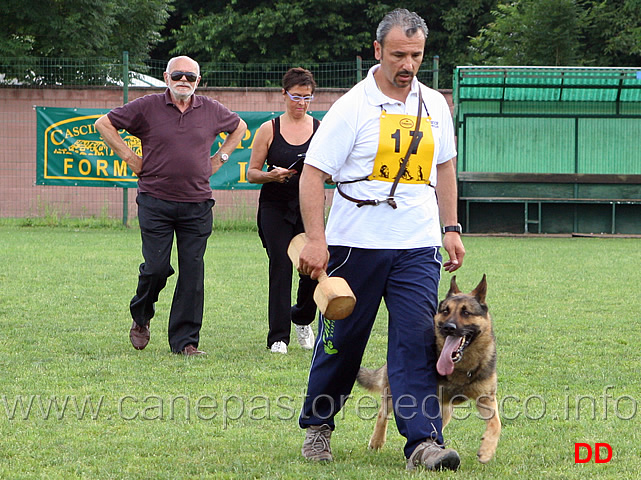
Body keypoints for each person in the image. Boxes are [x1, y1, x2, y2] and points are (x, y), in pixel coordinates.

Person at [296, 9, 465, 472]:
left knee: (416, 342)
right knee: (341, 340)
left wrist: (450, 228)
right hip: (355, 244)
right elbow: (313, 175)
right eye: (398, 55)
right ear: (377, 51)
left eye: (415, 55)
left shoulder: (435, 105)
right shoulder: (353, 106)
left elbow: (445, 166)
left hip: (417, 245)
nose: (407, 64)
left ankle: (423, 443)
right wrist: (316, 239)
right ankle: (318, 428)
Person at [95, 55, 247, 356]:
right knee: (156, 268)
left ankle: (185, 342)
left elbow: (239, 127)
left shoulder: (212, 110)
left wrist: (220, 159)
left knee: (193, 274)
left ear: (198, 82)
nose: (184, 81)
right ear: (166, 77)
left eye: (190, 78)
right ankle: (142, 314)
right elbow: (105, 123)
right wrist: (130, 158)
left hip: (197, 204)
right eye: (178, 75)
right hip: (155, 202)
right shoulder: (146, 106)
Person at [247, 68, 319, 354]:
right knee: (280, 265)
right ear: (283, 94)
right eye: (296, 97)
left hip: (307, 206)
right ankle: (278, 337)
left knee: (312, 267)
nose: (301, 103)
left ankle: (302, 318)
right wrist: (271, 175)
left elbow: (328, 172)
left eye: (307, 98)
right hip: (274, 205)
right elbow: (252, 173)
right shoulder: (269, 129)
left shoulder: (319, 128)